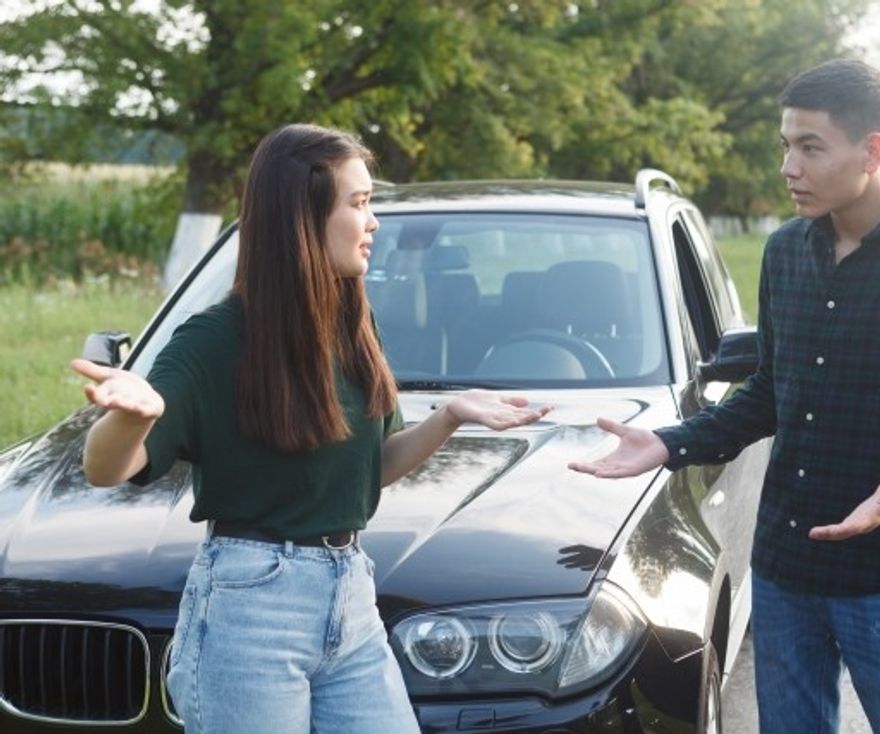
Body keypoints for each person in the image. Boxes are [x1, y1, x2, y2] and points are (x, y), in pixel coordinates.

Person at [570, 59, 880, 732]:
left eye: (811, 147)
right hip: (786, 568)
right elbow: (772, 393)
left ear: (872, 151)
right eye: (786, 145)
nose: (789, 167)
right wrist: (669, 441)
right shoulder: (785, 253)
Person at [70, 123, 549, 733]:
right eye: (358, 203)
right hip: (250, 611)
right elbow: (104, 469)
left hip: (350, 595)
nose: (373, 222)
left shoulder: (352, 321)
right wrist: (131, 417)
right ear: (302, 216)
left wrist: (451, 417)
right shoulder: (212, 340)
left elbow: (370, 470)